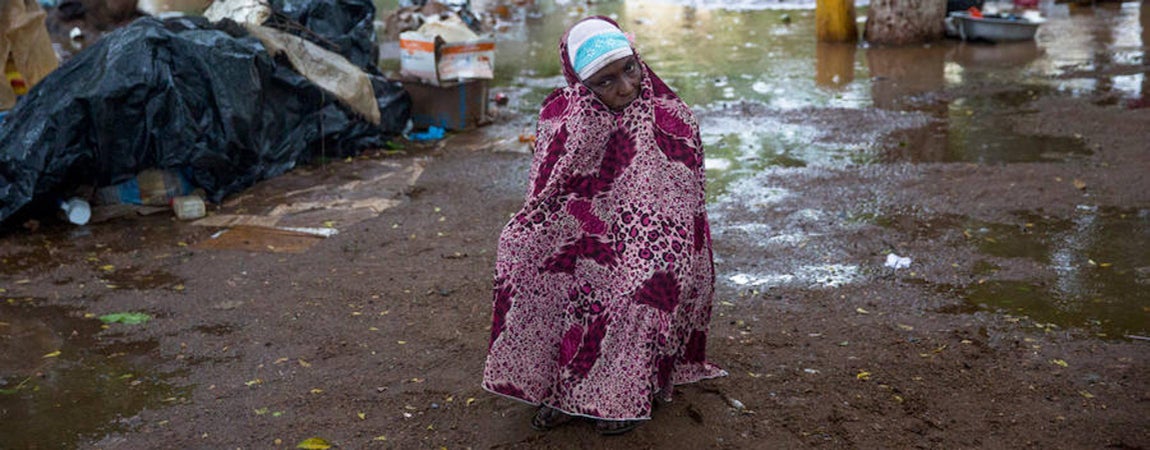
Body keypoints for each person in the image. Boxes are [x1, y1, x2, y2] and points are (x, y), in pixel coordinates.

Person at [482, 16, 725, 435]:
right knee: (522, 260)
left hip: (654, 238)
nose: (626, 87)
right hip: (580, 231)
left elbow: (681, 212)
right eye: (605, 81)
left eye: (630, 69)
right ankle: (558, 388)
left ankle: (622, 393)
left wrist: (633, 250)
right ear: (579, 83)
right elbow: (546, 197)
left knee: (640, 288)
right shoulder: (560, 115)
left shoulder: (672, 117)